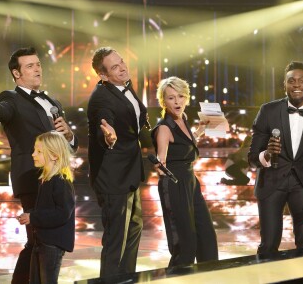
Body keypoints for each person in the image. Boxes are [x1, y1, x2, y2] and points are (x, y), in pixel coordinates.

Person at [0, 47, 77, 284]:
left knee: (42, 241)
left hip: (55, 178)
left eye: (38, 64)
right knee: (37, 240)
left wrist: (69, 136)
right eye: (30, 66)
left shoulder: (53, 102)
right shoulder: (12, 98)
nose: (37, 68)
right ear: (16, 74)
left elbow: (66, 145)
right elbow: (3, 112)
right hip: (32, 177)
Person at [248, 61, 303, 254]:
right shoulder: (268, 111)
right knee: (269, 243)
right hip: (270, 182)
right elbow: (253, 157)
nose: (297, 85)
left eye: (302, 81)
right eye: (291, 81)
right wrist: (267, 154)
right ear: (284, 85)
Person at [87, 47, 149, 277]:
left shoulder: (126, 86)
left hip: (130, 171)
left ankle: (127, 278)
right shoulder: (101, 98)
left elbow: (136, 125)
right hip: (112, 177)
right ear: (103, 75)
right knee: (116, 238)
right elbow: (104, 123)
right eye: (115, 67)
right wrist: (108, 137)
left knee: (134, 229)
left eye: (121, 62)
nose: (122, 67)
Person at [151, 76, 219, 267]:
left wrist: (199, 131)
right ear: (163, 101)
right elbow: (162, 158)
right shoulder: (164, 128)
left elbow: (184, 144)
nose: (177, 101)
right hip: (174, 184)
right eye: (171, 98)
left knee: (206, 236)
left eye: (181, 96)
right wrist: (159, 165)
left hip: (190, 182)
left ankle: (209, 277)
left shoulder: (184, 120)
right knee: (185, 244)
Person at [17, 131, 75, 284]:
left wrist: (33, 217)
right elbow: (46, 208)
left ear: (55, 155)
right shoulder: (45, 180)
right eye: (34, 150)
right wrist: (30, 214)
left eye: (39, 151)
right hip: (42, 241)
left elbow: (62, 213)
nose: (33, 154)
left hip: (52, 244)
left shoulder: (60, 182)